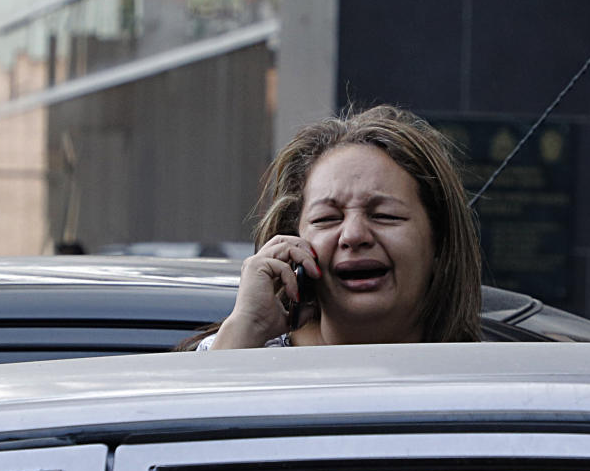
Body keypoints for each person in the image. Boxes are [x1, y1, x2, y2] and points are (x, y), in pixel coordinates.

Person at [186, 105, 482, 350]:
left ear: (439, 244)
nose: (353, 235)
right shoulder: (235, 349)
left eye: (385, 215)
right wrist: (247, 327)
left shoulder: (492, 376)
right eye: (327, 219)